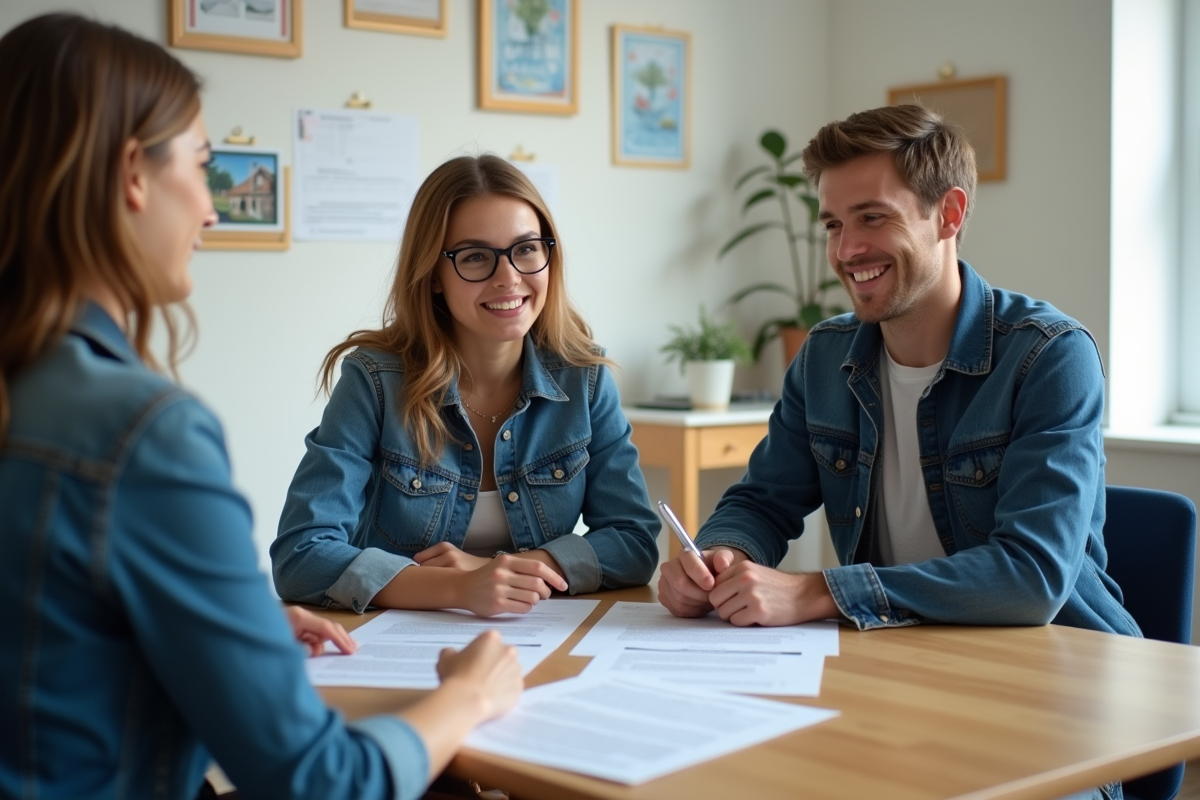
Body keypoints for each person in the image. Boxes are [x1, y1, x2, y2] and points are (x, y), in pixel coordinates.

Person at [0, 13, 521, 800]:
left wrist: (217, 629)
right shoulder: (144, 433)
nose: (211, 210)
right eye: (203, 168)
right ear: (132, 176)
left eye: (527, 250)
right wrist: (470, 696)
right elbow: (316, 781)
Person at [658, 104, 1140, 643]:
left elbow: (1030, 577)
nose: (845, 251)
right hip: (899, 657)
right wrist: (723, 554)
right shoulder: (824, 357)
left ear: (949, 215)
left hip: (1057, 666)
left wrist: (818, 591)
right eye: (834, 224)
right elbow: (761, 502)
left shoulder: (1049, 356)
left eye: (872, 217)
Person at [271, 155, 659, 617]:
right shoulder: (374, 380)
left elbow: (633, 540)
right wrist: (454, 589)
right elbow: (301, 554)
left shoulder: (585, 378)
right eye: (475, 256)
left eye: (527, 249)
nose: (509, 277)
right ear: (433, 275)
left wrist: (510, 570)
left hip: (538, 636)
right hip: (393, 644)